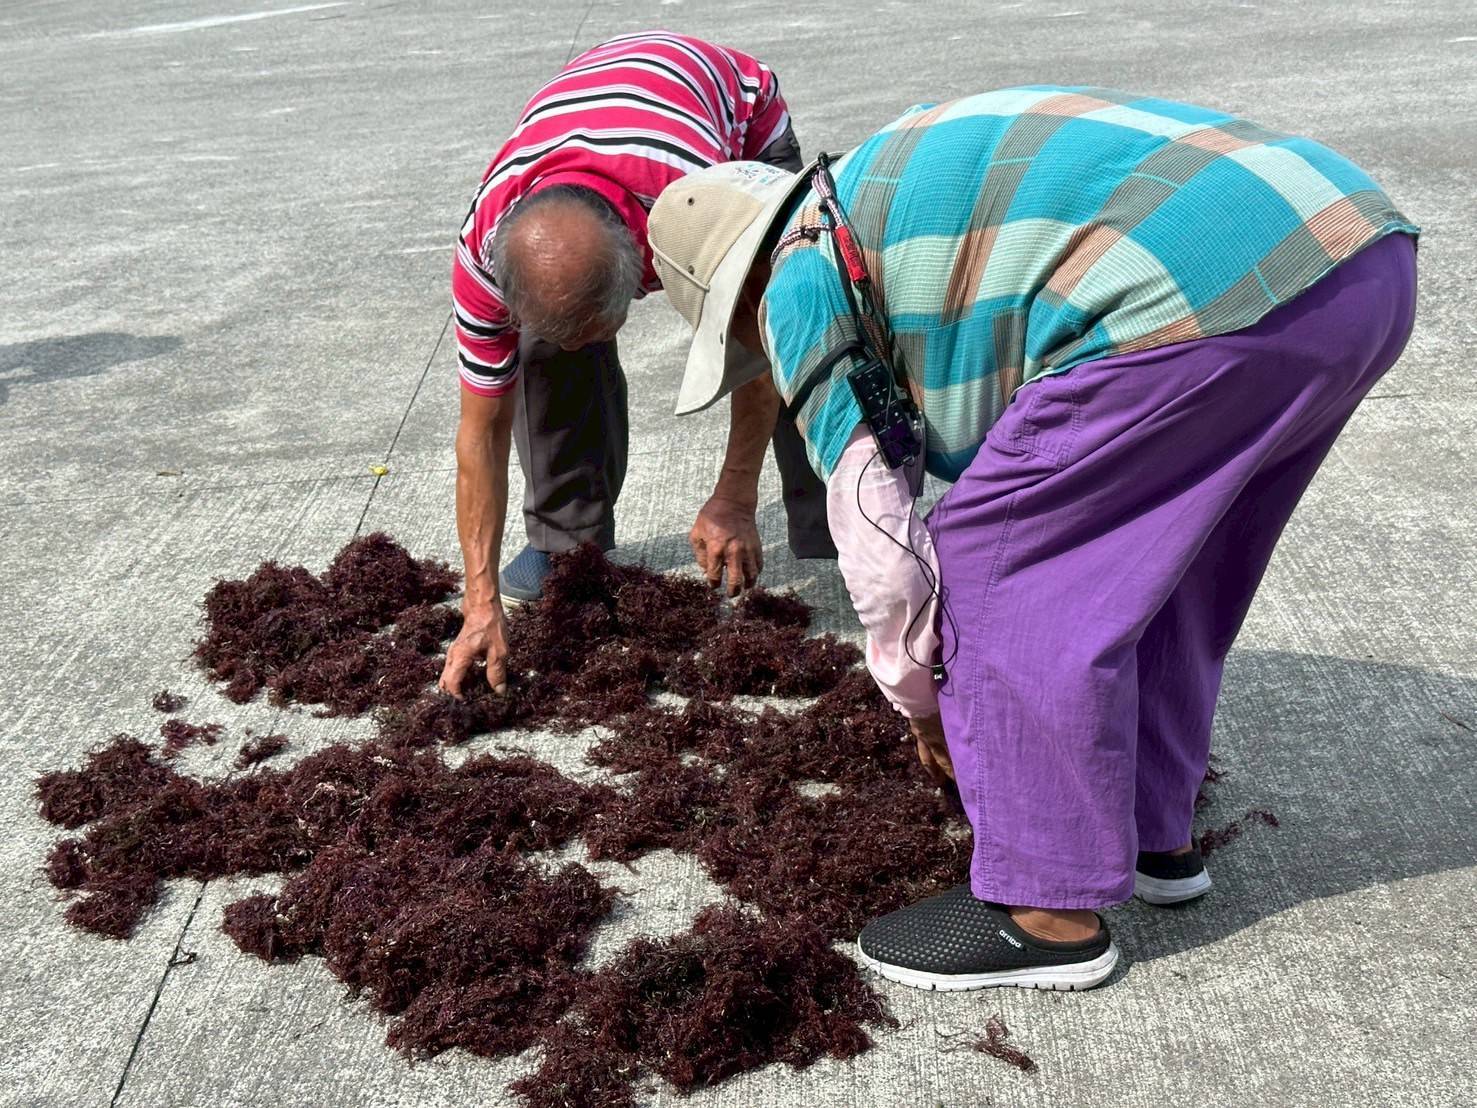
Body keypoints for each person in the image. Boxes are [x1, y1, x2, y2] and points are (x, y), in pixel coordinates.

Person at [646, 86, 1418, 991]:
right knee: (1166, 557)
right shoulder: (863, 190)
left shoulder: (796, 278)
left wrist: (924, 699)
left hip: (1194, 301)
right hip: (1353, 262)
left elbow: (881, 538)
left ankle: (1045, 914)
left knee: (993, 561)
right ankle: (1154, 837)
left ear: (737, 296)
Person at [439, 31, 835, 699]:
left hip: (733, 111)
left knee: (795, 308)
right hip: (598, 110)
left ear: (641, 274)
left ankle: (833, 513)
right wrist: (478, 604)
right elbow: (479, 433)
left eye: (600, 330)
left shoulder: (699, 206)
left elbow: (760, 345)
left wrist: (735, 496)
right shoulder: (484, 254)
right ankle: (566, 544)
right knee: (546, 356)